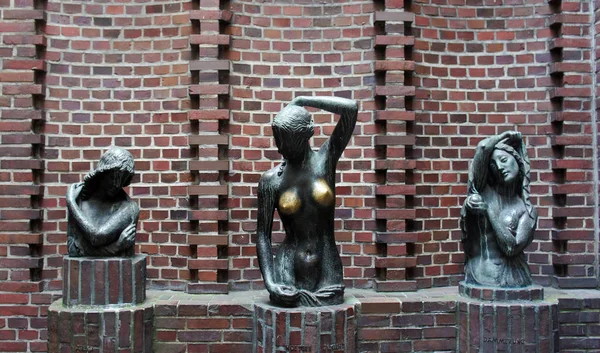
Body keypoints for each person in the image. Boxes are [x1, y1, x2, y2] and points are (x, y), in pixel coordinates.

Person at [256, 96, 358, 307]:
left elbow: (350, 109)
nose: (280, 147)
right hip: (287, 270)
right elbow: (262, 236)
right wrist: (270, 282)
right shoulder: (271, 181)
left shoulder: (326, 161)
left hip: (327, 268)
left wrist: (302, 100)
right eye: (277, 139)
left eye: (286, 139)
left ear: (305, 136)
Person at [460, 131, 537, 287]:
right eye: (494, 165)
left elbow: (510, 248)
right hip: (481, 273)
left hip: (514, 276)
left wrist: (489, 211)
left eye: (503, 160)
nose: (500, 167)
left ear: (518, 160)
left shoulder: (526, 210)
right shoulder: (483, 189)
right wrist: (504, 136)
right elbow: (482, 147)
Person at [66, 147, 139, 257]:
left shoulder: (129, 208)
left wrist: (71, 203)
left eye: (122, 178)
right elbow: (73, 247)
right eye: (112, 177)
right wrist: (116, 247)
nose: (116, 184)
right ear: (102, 173)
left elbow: (96, 238)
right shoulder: (79, 198)